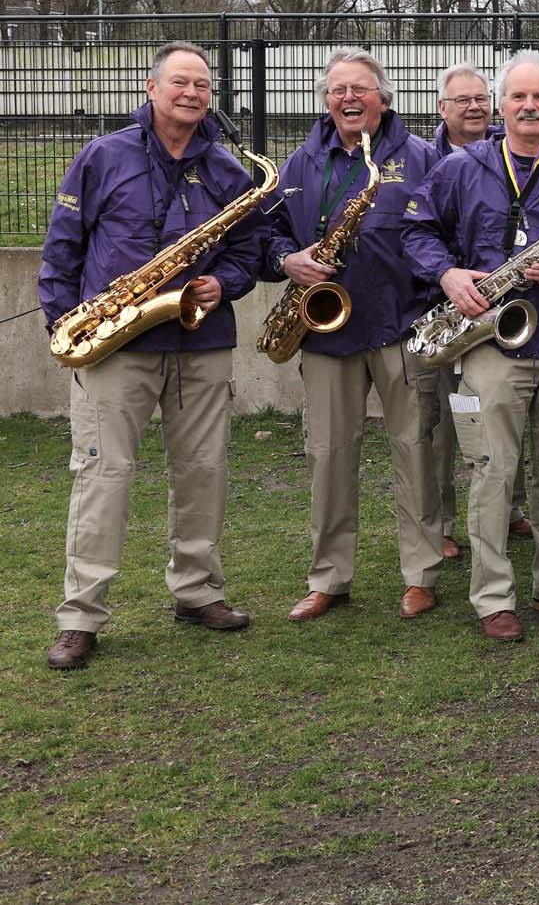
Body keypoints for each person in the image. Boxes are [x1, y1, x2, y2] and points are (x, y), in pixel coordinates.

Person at [42, 41, 262, 671]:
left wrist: (231, 283)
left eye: (202, 85)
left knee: (203, 471)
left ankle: (196, 592)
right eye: (180, 82)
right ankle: (80, 616)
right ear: (151, 87)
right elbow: (63, 246)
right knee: (102, 476)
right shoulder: (103, 155)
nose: (192, 93)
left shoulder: (226, 169)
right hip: (116, 343)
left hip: (200, 340)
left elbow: (250, 249)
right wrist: (66, 321)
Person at [402, 53, 539, 643]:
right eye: (518, 97)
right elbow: (415, 231)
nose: (528, 107)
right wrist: (448, 276)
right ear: (500, 105)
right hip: (493, 340)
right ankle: (493, 596)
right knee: (492, 473)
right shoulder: (461, 167)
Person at [265, 48, 443, 622]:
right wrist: (289, 260)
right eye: (339, 89)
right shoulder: (299, 163)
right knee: (328, 456)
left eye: (361, 89)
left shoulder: (421, 157)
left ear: (383, 98)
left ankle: (420, 574)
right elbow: (265, 237)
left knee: (414, 452)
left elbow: (446, 234)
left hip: (401, 327)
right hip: (325, 333)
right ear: (325, 99)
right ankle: (329, 577)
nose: (349, 98)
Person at [423, 62, 507, 552]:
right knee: (443, 424)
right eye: (462, 100)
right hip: (440, 314)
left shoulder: (504, 154)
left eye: (481, 98)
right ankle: (445, 524)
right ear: (442, 108)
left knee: (494, 416)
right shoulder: (420, 157)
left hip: (492, 314)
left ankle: (508, 508)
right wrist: (444, 273)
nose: (474, 107)